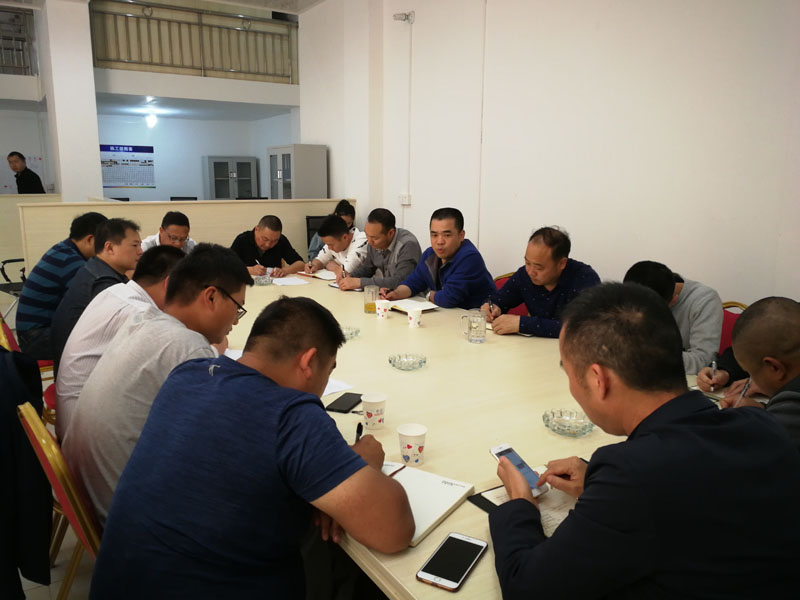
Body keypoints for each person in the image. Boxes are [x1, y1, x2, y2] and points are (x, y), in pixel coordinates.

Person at [489, 283, 800, 599]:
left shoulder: (631, 475)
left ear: (598, 380)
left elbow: (527, 586)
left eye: (568, 373)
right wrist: (596, 481)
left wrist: (521, 503)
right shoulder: (762, 426)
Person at [89, 296, 414, 598]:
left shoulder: (186, 375)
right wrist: (364, 462)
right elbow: (393, 531)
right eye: (328, 371)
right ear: (309, 362)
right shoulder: (291, 416)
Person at [62, 243, 252, 524]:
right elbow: (227, 438)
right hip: (128, 520)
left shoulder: (143, 319)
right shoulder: (187, 347)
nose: (235, 321)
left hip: (91, 494)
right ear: (211, 296)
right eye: (237, 308)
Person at [54, 245, 185, 441]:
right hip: (84, 432)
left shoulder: (116, 291)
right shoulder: (140, 314)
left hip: (74, 416)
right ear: (170, 283)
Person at [50, 218, 143, 368]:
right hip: (82, 371)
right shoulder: (103, 283)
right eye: (135, 245)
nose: (140, 251)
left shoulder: (94, 268)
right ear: (110, 248)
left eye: (140, 245)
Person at [14, 212, 107, 359]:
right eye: (105, 244)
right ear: (90, 239)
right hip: (36, 338)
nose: (106, 250)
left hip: (33, 333)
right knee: (105, 340)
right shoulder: (71, 261)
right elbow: (95, 301)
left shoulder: (63, 250)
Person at [480, 227, 600, 337]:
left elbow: (583, 327)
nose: (531, 272)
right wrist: (492, 307)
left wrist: (522, 324)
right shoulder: (524, 275)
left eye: (539, 267)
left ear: (561, 263)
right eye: (527, 263)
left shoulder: (584, 279)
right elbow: (499, 299)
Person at [720, 297, 800, 451]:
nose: (751, 381)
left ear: (774, 368)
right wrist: (763, 409)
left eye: (750, 374)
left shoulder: (791, 410)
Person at [623, 260, 722, 374]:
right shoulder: (636, 296)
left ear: (673, 301)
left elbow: (704, 360)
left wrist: (652, 356)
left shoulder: (705, 300)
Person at [383, 207, 493, 309]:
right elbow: (412, 283)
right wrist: (395, 294)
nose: (439, 242)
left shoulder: (469, 258)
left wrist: (429, 294)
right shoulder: (430, 254)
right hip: (448, 316)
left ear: (461, 235)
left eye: (447, 235)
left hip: (477, 319)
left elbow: (448, 299)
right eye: (434, 235)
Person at [337, 208, 421, 291]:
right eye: (367, 235)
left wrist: (360, 282)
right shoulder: (372, 242)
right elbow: (367, 268)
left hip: (412, 297)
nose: (369, 242)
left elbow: (400, 282)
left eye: (374, 238)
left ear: (391, 233)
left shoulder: (407, 245)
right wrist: (351, 276)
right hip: (387, 294)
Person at [230, 214, 305, 277]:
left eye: (274, 241)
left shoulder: (281, 241)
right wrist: (250, 270)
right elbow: (227, 266)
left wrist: (284, 270)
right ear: (257, 229)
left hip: (275, 286)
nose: (268, 245)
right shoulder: (242, 240)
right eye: (265, 239)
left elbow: (301, 264)